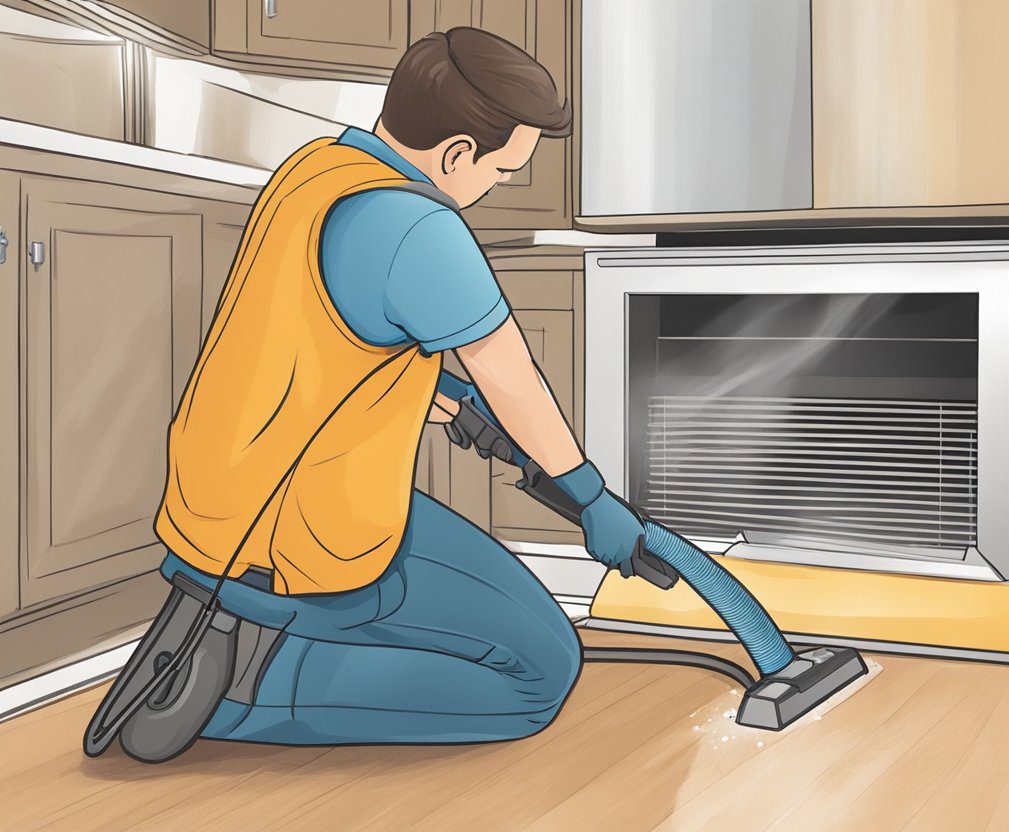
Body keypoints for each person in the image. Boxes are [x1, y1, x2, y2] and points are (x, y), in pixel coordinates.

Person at [153, 27, 644, 745]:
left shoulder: (317, 170)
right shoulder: (418, 226)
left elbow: (322, 339)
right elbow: (510, 375)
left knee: (533, 633)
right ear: (456, 154)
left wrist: (429, 387)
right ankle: (253, 682)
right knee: (539, 673)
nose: (496, 187)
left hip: (223, 502)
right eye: (504, 171)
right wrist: (592, 500)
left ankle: (255, 636)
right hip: (296, 540)